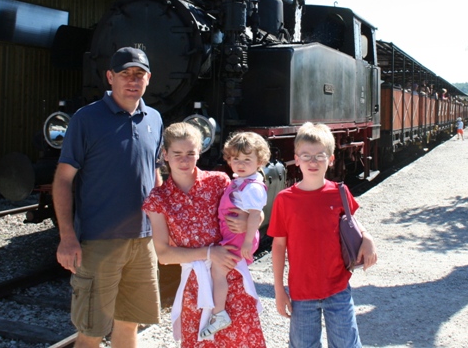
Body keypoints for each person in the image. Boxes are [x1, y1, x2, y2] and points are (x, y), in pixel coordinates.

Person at [53, 47, 163, 348]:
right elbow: (63, 179)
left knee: (129, 325)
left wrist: (162, 229)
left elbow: (154, 176)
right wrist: (67, 237)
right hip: (99, 242)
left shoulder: (154, 119)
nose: (133, 80)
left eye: (139, 74)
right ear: (110, 77)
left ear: (149, 79)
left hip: (143, 242)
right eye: (125, 74)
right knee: (91, 332)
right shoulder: (86, 119)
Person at [143, 123, 265, 347]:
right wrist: (210, 253)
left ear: (199, 152)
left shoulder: (218, 181)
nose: (184, 160)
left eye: (190, 153)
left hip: (231, 278)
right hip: (195, 286)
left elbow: (254, 208)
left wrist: (249, 221)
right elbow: (164, 255)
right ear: (165, 155)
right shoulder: (158, 199)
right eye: (177, 154)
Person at [269, 122, 377, 348]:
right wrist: (279, 289)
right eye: (306, 156)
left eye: (320, 156)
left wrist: (367, 238)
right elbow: (278, 246)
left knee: (346, 344)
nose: (313, 162)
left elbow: (351, 222)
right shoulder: (284, 200)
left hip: (338, 288)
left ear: (331, 159)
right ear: (296, 159)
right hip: (302, 293)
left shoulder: (340, 192)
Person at [201, 131, 269, 340]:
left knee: (218, 271)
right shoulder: (241, 181)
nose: (240, 164)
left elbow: (255, 214)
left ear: (259, 161)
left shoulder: (252, 187)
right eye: (236, 159)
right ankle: (219, 311)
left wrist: (247, 242)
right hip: (233, 235)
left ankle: (219, 314)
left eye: (247, 159)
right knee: (217, 269)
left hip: (239, 237)